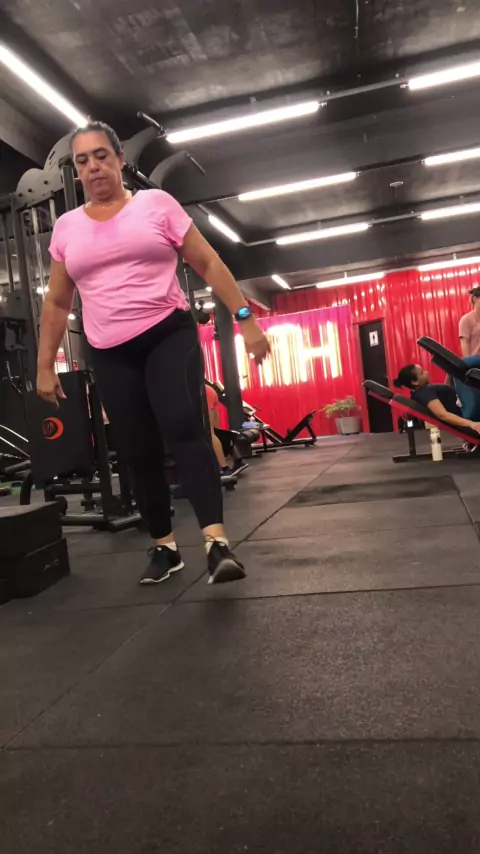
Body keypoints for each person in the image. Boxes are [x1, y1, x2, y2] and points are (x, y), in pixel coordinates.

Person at [37, 120, 270, 586]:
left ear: (120, 159)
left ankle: (216, 543)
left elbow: (207, 261)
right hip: (109, 349)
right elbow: (58, 302)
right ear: (76, 170)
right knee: (137, 448)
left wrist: (246, 320)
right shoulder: (67, 228)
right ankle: (165, 546)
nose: (93, 167)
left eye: (101, 155)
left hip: (167, 333)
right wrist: (45, 365)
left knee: (182, 425)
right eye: (82, 161)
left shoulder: (155, 205)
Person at [393, 364, 480, 433]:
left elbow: (446, 397)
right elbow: (442, 415)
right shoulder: (424, 393)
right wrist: (472, 424)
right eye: (422, 373)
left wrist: (449, 374)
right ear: (414, 382)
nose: (427, 372)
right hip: (470, 413)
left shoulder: (421, 391)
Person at [205, 383, 231, 477]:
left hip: (205, 393)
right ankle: (220, 466)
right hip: (208, 392)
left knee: (209, 432)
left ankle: (224, 468)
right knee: (215, 431)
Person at [459, 286, 480, 357]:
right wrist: (469, 362)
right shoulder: (466, 320)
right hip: (476, 361)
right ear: (475, 299)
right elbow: (465, 343)